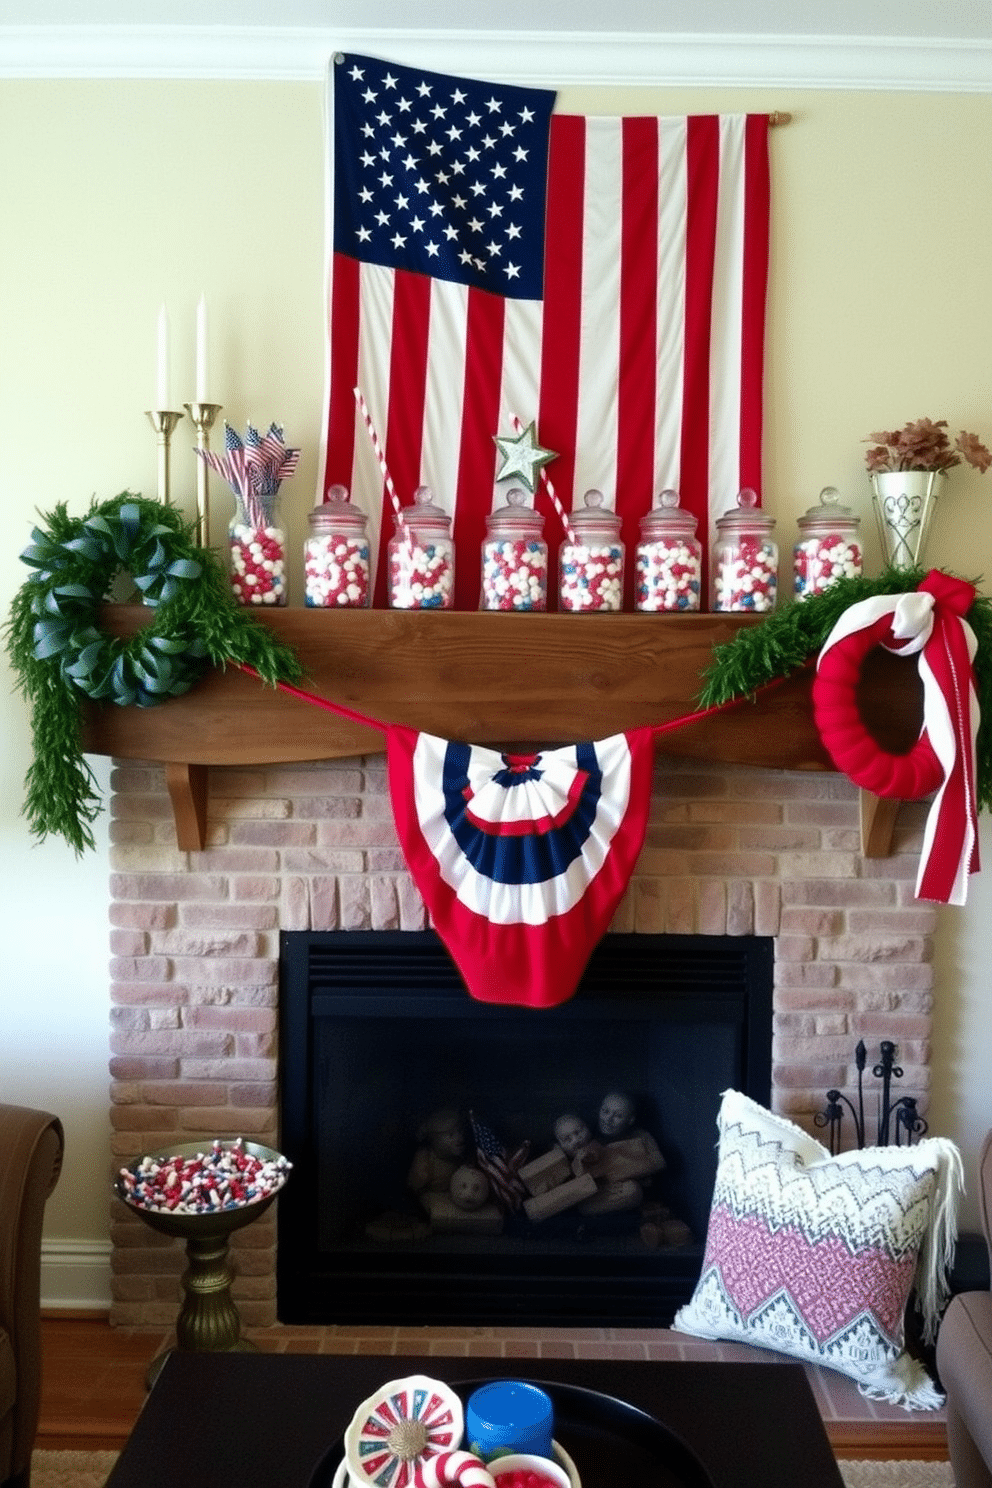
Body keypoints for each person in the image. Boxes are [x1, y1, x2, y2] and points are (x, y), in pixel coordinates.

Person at [407, 1108, 467, 1195]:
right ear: (434, 1139)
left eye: (461, 1132)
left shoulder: (461, 1156)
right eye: (451, 1135)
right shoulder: (426, 1158)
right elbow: (415, 1184)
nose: (460, 1139)